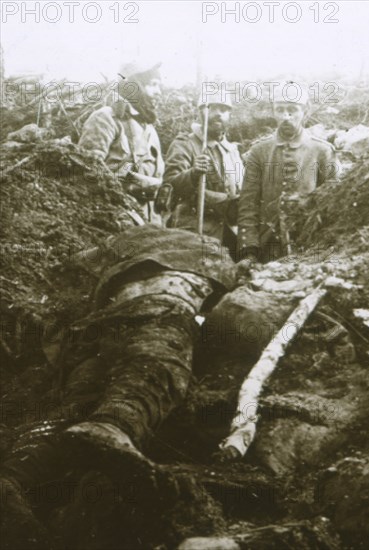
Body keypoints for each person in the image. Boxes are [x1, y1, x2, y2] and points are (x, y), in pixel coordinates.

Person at [0, 226, 236, 548]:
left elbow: (72, 274)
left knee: (76, 403)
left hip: (103, 322)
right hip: (161, 306)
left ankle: (16, 475)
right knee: (152, 374)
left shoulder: (129, 239)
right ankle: (114, 425)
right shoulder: (213, 253)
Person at [237, 81, 340, 264]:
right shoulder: (259, 151)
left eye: (292, 110)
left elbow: (334, 203)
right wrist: (249, 250)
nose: (286, 116)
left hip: (309, 246)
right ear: (273, 111)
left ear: (305, 111)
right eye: (280, 110)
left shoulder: (322, 151)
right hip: (268, 246)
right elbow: (248, 205)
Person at [158, 88, 244, 258]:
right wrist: (193, 173)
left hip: (229, 231)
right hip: (194, 229)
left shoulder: (232, 151)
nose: (219, 114)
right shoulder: (185, 144)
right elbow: (170, 185)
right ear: (201, 112)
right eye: (212, 108)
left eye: (224, 109)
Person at [78, 61, 164, 224]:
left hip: (150, 225)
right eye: (153, 85)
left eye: (159, 86)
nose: (158, 92)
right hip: (114, 222)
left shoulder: (150, 129)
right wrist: (127, 183)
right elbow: (86, 173)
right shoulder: (106, 118)